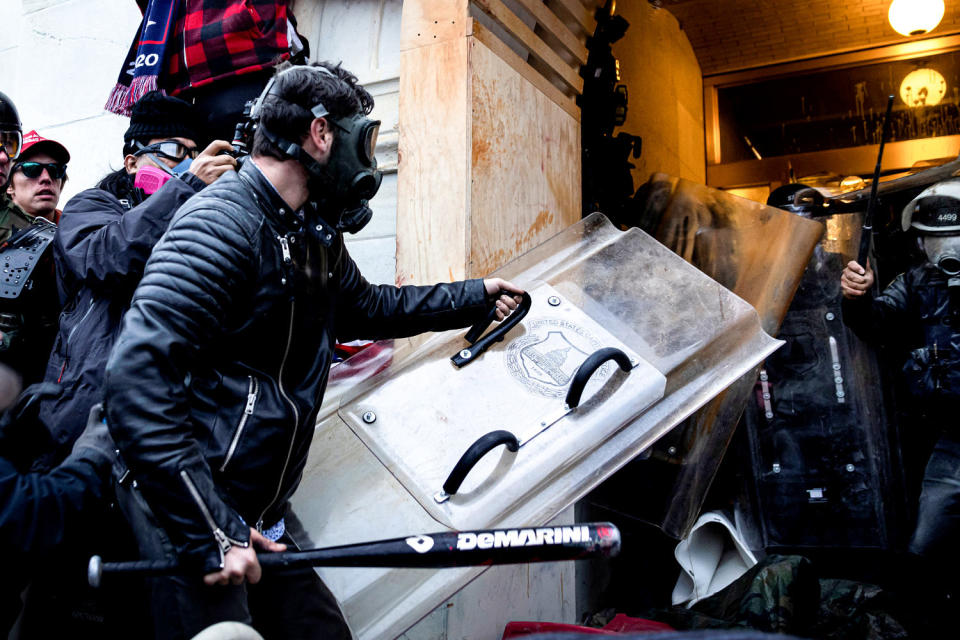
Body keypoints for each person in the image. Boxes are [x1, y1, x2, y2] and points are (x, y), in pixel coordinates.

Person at [103, 61, 524, 639]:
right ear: (322, 134)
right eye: (364, 138)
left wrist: (474, 297)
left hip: (257, 513)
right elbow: (135, 381)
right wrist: (211, 528)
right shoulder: (220, 223)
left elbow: (367, 308)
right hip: (186, 510)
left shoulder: (309, 233)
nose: (368, 158)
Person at [35, 90, 237, 466]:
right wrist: (187, 189)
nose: (187, 164)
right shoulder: (91, 206)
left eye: (193, 154)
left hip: (168, 418)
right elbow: (106, 259)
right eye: (174, 151)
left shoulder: (193, 216)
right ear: (132, 162)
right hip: (84, 419)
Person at [841, 178, 960, 608]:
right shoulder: (917, 282)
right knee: (925, 544)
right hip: (951, 440)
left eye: (951, 238)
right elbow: (876, 323)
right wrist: (856, 296)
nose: (942, 249)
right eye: (931, 240)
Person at [6, 130, 70, 223]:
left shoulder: (80, 230)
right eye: (32, 169)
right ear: (8, 184)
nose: (46, 178)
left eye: (54, 170)